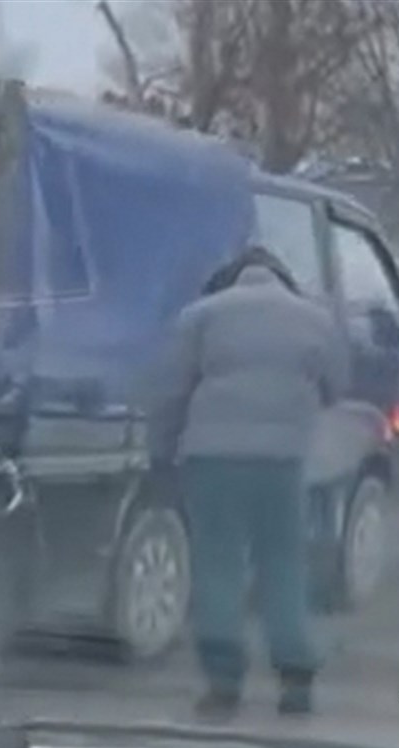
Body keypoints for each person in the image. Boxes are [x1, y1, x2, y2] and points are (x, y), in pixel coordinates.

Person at [147, 245, 349, 720]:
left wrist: (161, 453)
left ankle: (223, 684)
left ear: (231, 279)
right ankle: (295, 679)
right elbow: (337, 386)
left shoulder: (200, 316)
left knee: (219, 566)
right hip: (281, 463)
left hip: (211, 458)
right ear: (282, 278)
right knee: (283, 564)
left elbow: (171, 390)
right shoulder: (316, 320)